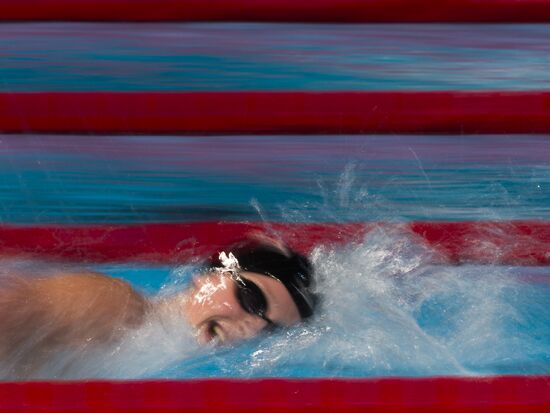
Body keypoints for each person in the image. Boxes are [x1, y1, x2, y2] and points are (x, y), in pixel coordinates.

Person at [0, 238, 317, 377]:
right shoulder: (111, 304)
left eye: (270, 329)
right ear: (211, 276)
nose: (252, 327)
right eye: (253, 299)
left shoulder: (160, 356)